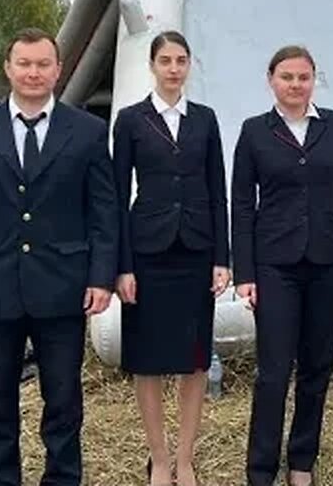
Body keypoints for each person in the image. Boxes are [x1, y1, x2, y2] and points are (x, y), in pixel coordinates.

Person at [0, 27, 118, 486]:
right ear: (8, 69)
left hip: (64, 287)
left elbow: (104, 212)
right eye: (24, 64)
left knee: (62, 399)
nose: (34, 73)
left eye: (43, 64)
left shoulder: (89, 131)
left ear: (58, 70)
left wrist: (102, 277)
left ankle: (62, 477)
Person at [231, 45, 333, 486]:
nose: (295, 85)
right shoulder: (254, 132)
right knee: (272, 370)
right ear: (271, 79)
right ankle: (261, 469)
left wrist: (316, 219)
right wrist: (245, 272)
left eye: (303, 77)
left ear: (313, 80)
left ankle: (301, 461)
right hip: (274, 265)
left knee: (317, 365)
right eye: (287, 77)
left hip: (326, 261)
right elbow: (242, 205)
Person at [111, 31, 231, 486]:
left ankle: (185, 458)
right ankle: (158, 457)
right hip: (147, 253)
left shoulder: (205, 119)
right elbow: (117, 197)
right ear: (152, 65)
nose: (174, 68)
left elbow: (218, 190)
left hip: (197, 253)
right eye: (166, 60)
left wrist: (223, 256)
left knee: (195, 358)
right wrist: (121, 265)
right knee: (147, 359)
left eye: (181, 60)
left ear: (189, 65)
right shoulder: (131, 120)